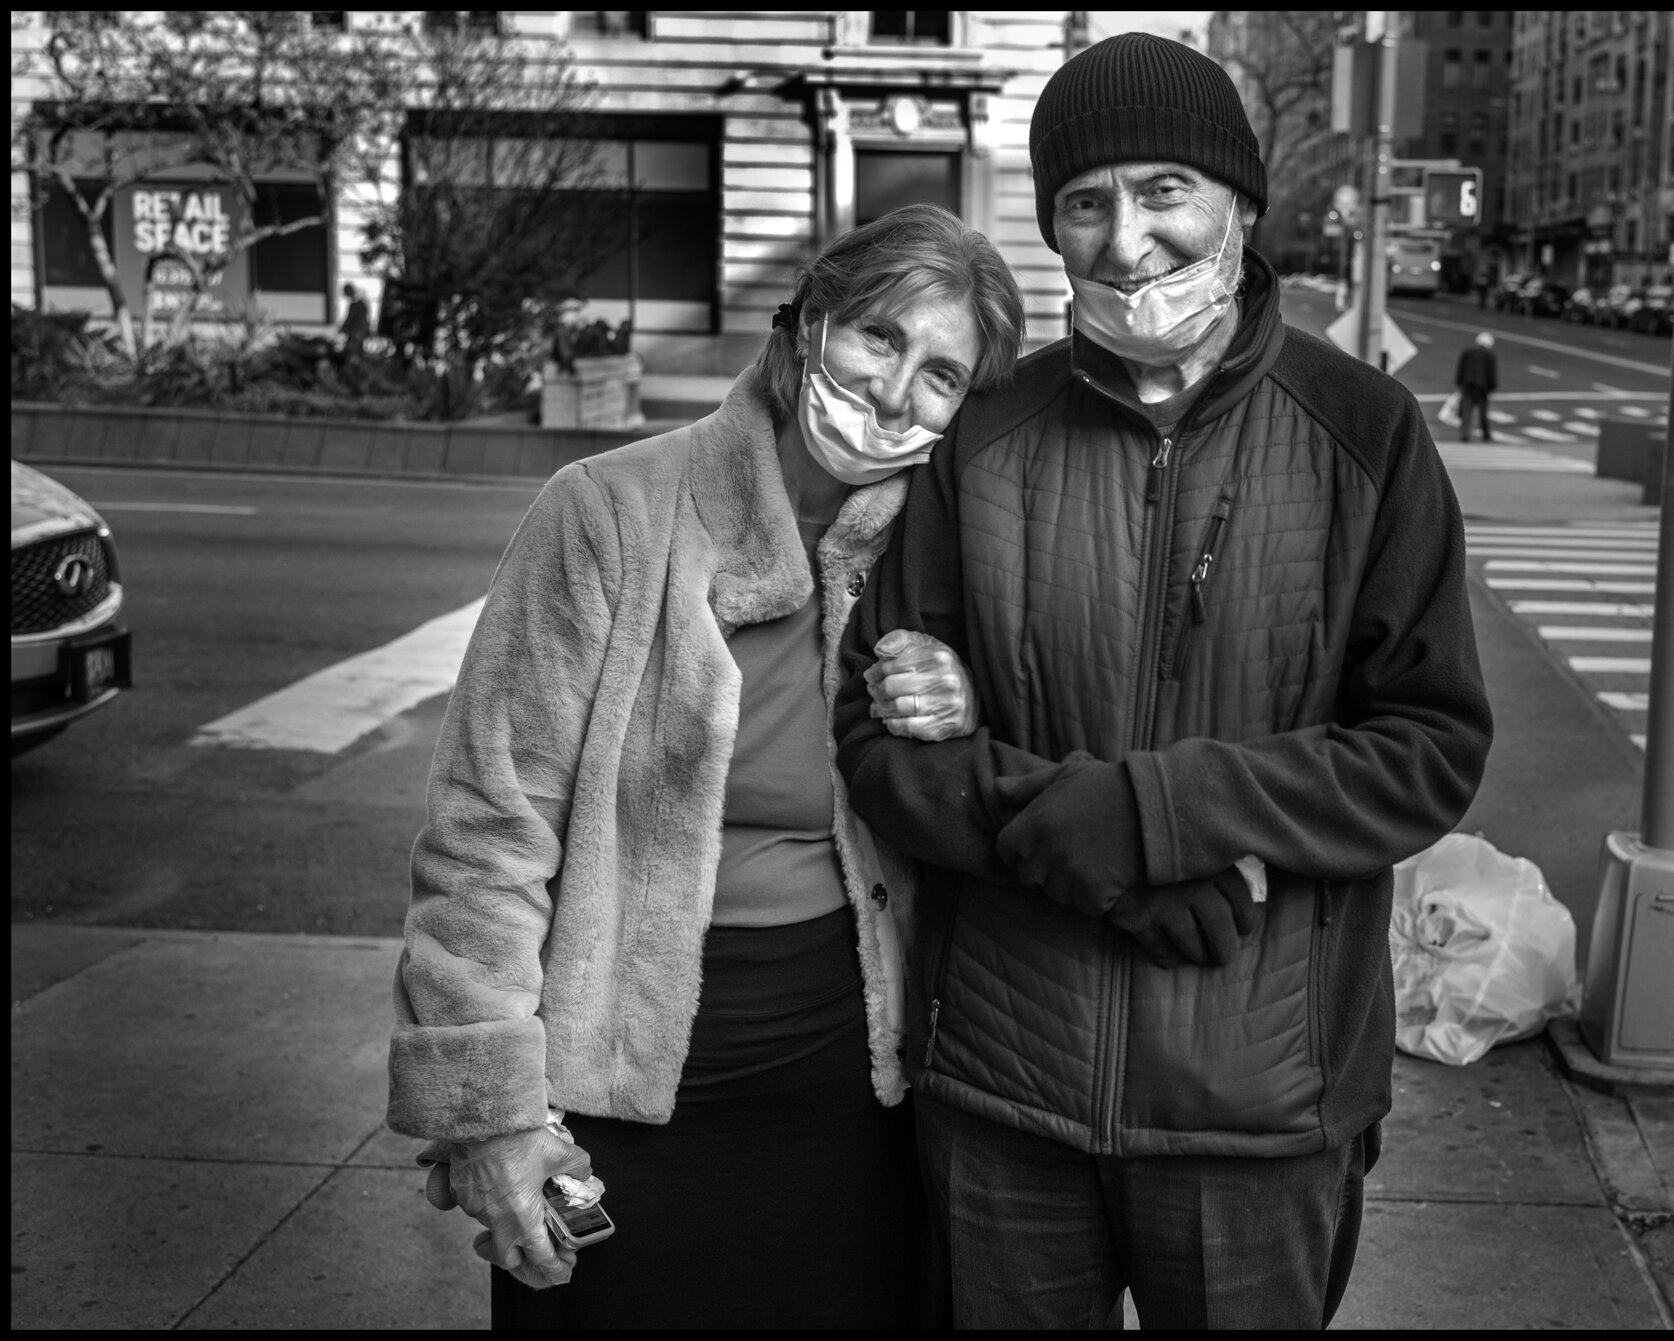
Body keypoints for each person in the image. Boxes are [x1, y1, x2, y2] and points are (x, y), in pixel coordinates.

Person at [834, 33, 1493, 1331]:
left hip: (1263, 1110)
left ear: (1239, 206)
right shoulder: (988, 438)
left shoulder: (1365, 433)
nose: (1124, 240)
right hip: (1006, 1095)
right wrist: (1091, 854)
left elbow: (1426, 747)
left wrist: (1156, 813)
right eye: (1085, 202)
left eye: (1163, 190)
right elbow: (886, 732)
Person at [387, 203, 1025, 1329]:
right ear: (803, 324)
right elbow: (487, 835)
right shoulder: (607, 513)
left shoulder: (948, 549)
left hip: (852, 1076)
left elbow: (1009, 787)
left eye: (941, 375)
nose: (892, 392)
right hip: (618, 1074)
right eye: (879, 338)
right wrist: (489, 1115)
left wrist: (963, 709)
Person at [1454, 330, 1499, 443]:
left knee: (1466, 412)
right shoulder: (1490, 355)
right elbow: (1492, 374)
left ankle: (1465, 435)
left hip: (1468, 385)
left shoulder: (1467, 352)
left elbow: (1461, 369)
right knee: (1483, 413)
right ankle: (1486, 435)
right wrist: (1491, 387)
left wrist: (1459, 383)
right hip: (1482, 388)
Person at [338, 282, 372, 361]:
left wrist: (342, 329)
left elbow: (350, 318)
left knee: (353, 353)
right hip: (360, 332)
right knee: (357, 352)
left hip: (357, 333)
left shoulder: (356, 304)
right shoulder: (361, 302)